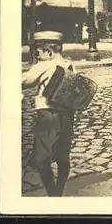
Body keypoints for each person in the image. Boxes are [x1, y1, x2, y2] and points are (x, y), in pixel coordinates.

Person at [21, 31, 76, 196]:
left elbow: (24, 81)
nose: (37, 53)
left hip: (47, 115)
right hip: (66, 115)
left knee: (41, 159)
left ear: (49, 51)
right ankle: (59, 189)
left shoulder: (44, 65)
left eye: (39, 50)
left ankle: (52, 193)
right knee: (62, 155)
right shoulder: (69, 64)